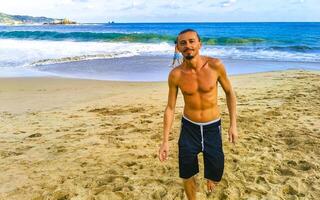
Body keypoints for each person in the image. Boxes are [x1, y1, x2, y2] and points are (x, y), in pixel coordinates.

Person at [158, 29, 238, 200]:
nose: (188, 46)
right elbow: (170, 108)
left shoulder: (215, 66)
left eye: (192, 41)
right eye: (183, 43)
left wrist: (233, 125)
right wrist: (165, 141)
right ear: (178, 48)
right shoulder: (176, 75)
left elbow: (230, 93)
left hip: (212, 127)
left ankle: (212, 177)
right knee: (187, 174)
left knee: (215, 172)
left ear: (199, 44)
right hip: (189, 128)